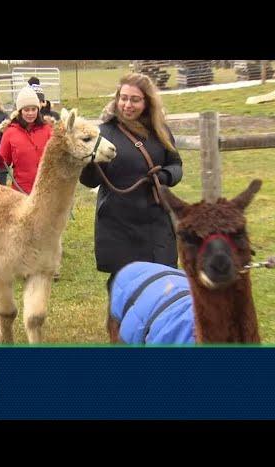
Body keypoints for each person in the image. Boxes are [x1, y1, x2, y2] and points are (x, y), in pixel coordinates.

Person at [79, 72, 183, 298]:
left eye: (134, 99)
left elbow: (177, 166)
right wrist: (88, 164)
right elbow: (90, 181)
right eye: (123, 98)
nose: (127, 104)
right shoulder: (105, 133)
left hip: (156, 223)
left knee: (162, 286)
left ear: (147, 102)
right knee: (125, 292)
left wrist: (164, 176)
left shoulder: (161, 131)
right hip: (118, 225)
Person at [0, 85, 53, 195]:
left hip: (46, 191)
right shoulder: (10, 132)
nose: (30, 113)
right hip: (21, 192)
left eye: (33, 109)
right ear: (20, 111)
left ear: (38, 109)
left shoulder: (47, 130)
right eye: (26, 110)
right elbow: (3, 162)